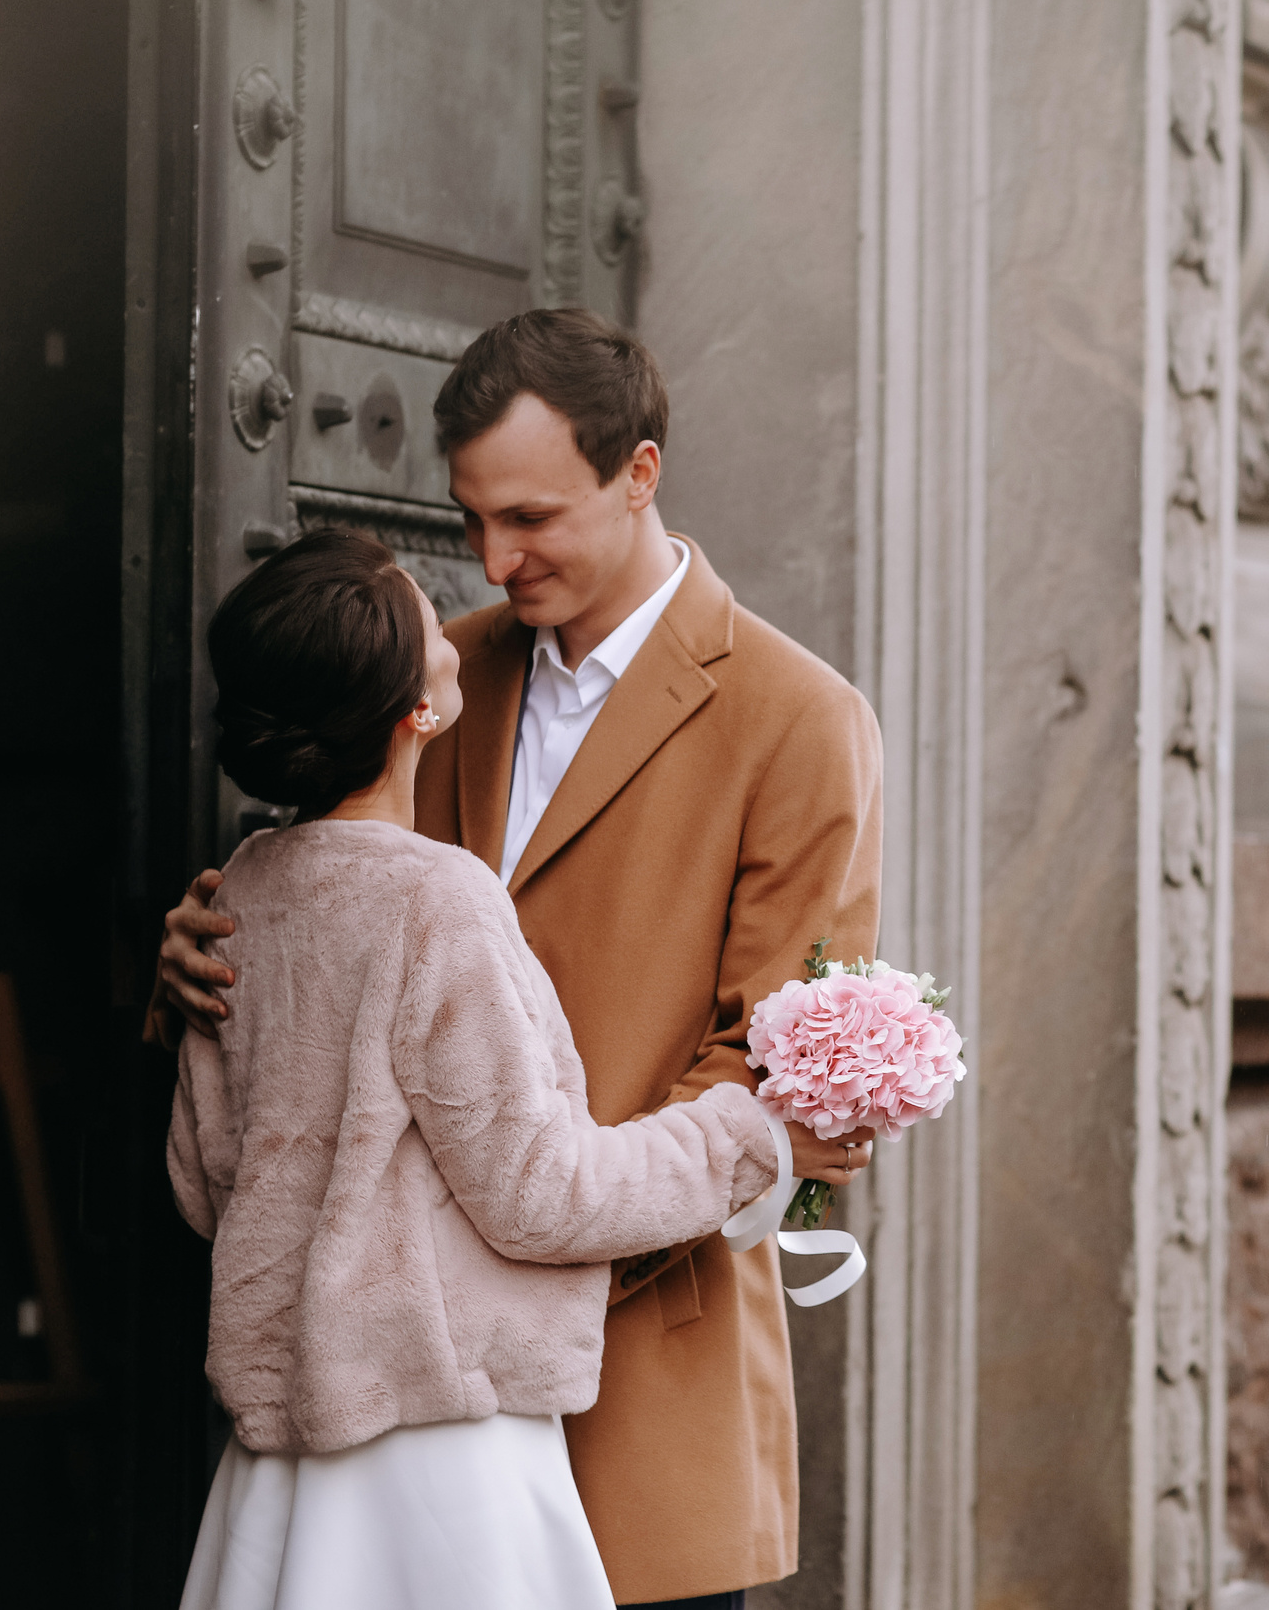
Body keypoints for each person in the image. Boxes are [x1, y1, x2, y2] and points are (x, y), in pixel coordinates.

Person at [156, 309, 885, 1608]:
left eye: (533, 519)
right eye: (472, 518)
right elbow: (344, 923)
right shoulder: (433, 668)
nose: (493, 560)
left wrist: (544, 1249)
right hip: (392, 1388)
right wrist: (207, 975)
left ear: (640, 473)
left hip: (652, 1359)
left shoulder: (802, 719)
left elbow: (768, 1053)